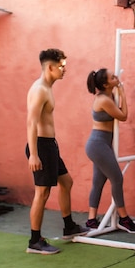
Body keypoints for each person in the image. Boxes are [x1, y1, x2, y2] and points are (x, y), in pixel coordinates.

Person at [25, 48, 88, 255]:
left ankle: (69, 226)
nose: (64, 70)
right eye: (61, 66)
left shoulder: (47, 87)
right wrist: (34, 154)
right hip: (41, 146)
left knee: (66, 182)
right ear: (50, 67)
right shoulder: (40, 89)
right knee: (42, 192)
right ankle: (35, 241)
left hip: (49, 145)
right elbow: (31, 123)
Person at [85, 68, 135, 233]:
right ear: (105, 84)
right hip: (98, 144)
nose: (116, 77)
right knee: (117, 178)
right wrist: (122, 92)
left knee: (98, 182)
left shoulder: (109, 96)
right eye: (112, 77)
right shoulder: (104, 100)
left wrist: (118, 90)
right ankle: (124, 219)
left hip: (101, 144)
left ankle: (91, 220)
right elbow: (123, 116)